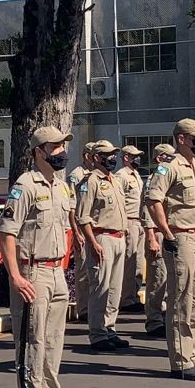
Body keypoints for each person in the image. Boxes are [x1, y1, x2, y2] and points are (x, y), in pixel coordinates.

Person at [0, 127, 79, 388]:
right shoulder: (25, 186)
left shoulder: (59, 186)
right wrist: (17, 277)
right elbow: (7, 233)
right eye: (54, 147)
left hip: (56, 270)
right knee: (34, 338)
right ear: (38, 152)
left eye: (62, 146)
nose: (61, 152)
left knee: (55, 339)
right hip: (33, 271)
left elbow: (65, 227)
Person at [145, 119, 195, 380]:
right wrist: (166, 233)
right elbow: (154, 201)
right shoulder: (168, 168)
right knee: (181, 300)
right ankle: (181, 360)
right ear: (182, 139)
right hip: (182, 238)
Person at [75, 140, 130, 352]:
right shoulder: (91, 182)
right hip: (102, 238)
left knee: (114, 289)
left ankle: (110, 328)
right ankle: (97, 333)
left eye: (114, 154)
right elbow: (84, 217)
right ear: (96, 157)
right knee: (100, 287)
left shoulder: (115, 181)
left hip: (118, 238)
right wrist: (92, 242)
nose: (112, 158)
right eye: (107, 155)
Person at [142, 143, 177, 337]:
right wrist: (151, 238)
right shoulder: (155, 178)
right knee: (157, 280)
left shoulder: (170, 175)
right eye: (168, 156)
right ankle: (154, 320)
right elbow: (149, 209)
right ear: (159, 158)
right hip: (156, 233)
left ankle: (163, 314)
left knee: (167, 280)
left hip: (168, 233)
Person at [116, 145, 147, 312]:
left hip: (139, 221)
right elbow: (118, 202)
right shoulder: (121, 176)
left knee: (138, 262)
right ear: (126, 157)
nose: (138, 159)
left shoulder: (135, 175)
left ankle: (133, 295)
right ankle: (126, 298)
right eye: (134, 156)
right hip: (129, 222)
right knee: (129, 262)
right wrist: (123, 224)